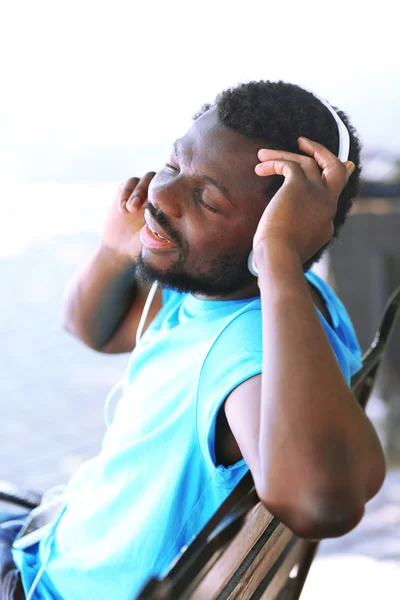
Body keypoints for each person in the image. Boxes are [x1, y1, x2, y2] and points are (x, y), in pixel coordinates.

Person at [6, 80, 385, 600]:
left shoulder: (243, 354)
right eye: (173, 165)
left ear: (278, 232)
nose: (160, 195)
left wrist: (274, 253)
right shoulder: (257, 295)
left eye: (206, 198)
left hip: (52, 588)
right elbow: (92, 328)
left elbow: (322, 502)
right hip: (59, 542)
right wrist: (117, 251)